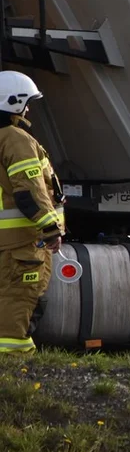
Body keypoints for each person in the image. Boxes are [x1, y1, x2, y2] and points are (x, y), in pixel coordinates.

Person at [0, 71, 66, 355]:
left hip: (7, 245)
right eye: (26, 103)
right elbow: (28, 190)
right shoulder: (15, 138)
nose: (28, 110)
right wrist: (51, 227)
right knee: (18, 302)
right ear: (13, 102)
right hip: (20, 244)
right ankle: (15, 368)